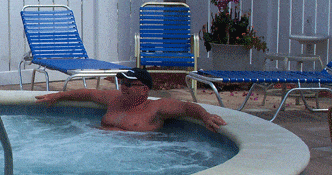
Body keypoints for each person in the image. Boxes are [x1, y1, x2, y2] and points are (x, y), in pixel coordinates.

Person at [35, 68, 226, 132]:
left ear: (144, 89)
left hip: (131, 156)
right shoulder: (115, 99)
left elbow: (186, 107)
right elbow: (89, 93)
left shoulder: (155, 107)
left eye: (128, 84)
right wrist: (58, 95)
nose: (123, 87)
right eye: (121, 83)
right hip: (96, 147)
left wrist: (206, 116)